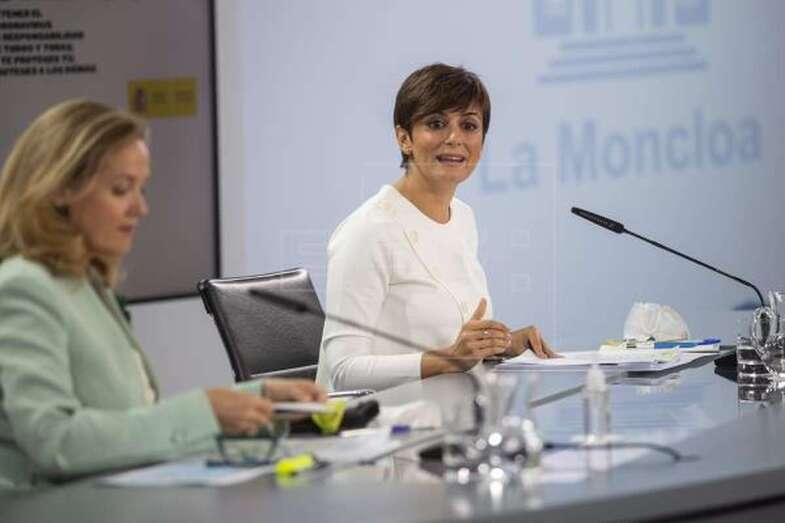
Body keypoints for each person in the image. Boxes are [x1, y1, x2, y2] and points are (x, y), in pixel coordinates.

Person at [0, 100, 326, 489]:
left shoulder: (86, 283)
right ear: (60, 189)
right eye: (121, 189)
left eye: (141, 188)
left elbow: (128, 424)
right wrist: (206, 410)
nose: (141, 207)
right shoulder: (23, 287)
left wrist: (255, 401)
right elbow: (56, 442)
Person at [316, 63, 558, 392]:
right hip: (387, 432)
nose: (455, 138)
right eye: (436, 123)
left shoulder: (462, 216)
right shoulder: (368, 231)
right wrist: (450, 359)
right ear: (404, 138)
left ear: (482, 143)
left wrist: (499, 345)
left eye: (469, 125)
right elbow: (344, 371)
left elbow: (448, 340)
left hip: (458, 427)